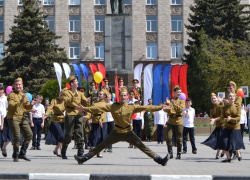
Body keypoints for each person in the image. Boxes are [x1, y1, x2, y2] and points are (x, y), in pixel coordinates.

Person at [74, 88, 170, 166]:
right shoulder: (113, 106)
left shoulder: (132, 106)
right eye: (121, 95)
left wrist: (159, 107)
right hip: (116, 132)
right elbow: (98, 108)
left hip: (128, 132)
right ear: (119, 96)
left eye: (125, 95)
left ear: (127, 96)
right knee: (101, 146)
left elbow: (146, 107)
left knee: (142, 146)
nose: (123, 97)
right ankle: (83, 159)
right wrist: (85, 109)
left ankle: (160, 160)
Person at [61, 76, 91, 159]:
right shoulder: (65, 92)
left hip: (78, 114)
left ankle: (80, 153)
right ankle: (63, 151)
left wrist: (87, 101)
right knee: (69, 135)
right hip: (70, 114)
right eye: (76, 81)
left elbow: (84, 103)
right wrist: (75, 96)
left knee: (80, 133)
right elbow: (67, 102)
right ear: (71, 83)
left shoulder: (80, 93)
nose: (77, 83)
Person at [7, 78, 36, 162]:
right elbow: (11, 106)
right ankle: (15, 154)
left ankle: (22, 153)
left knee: (29, 134)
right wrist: (21, 101)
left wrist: (31, 106)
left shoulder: (24, 95)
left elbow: (26, 108)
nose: (18, 86)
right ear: (14, 86)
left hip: (22, 117)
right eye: (16, 85)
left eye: (19, 84)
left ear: (22, 86)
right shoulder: (11, 95)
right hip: (13, 117)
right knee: (17, 137)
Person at [218, 92, 244, 162]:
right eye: (230, 96)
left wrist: (231, 119)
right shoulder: (224, 108)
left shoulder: (237, 107)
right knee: (224, 142)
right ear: (228, 98)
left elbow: (238, 118)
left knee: (234, 142)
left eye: (233, 96)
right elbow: (222, 118)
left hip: (235, 128)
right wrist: (227, 119)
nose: (231, 97)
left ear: (234, 98)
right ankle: (228, 157)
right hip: (227, 128)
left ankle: (238, 153)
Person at [84, 90, 109, 158]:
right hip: (95, 121)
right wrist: (86, 117)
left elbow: (104, 113)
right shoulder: (94, 103)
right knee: (94, 136)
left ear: (104, 96)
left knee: (102, 137)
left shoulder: (105, 104)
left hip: (103, 122)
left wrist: (101, 120)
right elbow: (90, 111)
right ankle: (91, 149)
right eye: (99, 94)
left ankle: (98, 152)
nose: (99, 95)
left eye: (101, 94)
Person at [201, 93, 225, 159]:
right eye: (212, 99)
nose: (213, 100)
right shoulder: (212, 109)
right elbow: (211, 118)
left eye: (214, 98)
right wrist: (211, 120)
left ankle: (221, 152)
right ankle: (219, 153)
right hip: (218, 126)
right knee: (217, 140)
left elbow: (222, 116)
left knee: (223, 140)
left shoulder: (221, 106)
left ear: (217, 98)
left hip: (223, 125)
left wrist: (215, 119)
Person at [222, 81, 242, 160]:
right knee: (227, 140)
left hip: (235, 121)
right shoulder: (228, 97)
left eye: (231, 88)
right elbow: (224, 109)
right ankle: (230, 156)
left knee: (234, 139)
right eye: (228, 88)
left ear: (235, 88)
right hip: (227, 122)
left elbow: (237, 105)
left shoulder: (238, 97)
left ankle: (237, 154)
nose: (230, 90)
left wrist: (228, 102)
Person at [164, 85, 185, 159]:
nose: (179, 93)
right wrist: (167, 104)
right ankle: (170, 153)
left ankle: (179, 153)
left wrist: (174, 104)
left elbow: (180, 110)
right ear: (174, 92)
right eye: (178, 92)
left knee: (179, 138)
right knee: (168, 137)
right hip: (171, 120)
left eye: (180, 92)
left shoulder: (182, 101)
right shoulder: (170, 100)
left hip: (179, 121)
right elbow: (166, 110)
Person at [44, 92, 65, 157]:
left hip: (63, 120)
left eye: (62, 95)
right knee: (61, 135)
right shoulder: (54, 101)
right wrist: (46, 114)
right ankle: (62, 152)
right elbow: (50, 108)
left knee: (62, 137)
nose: (61, 96)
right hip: (55, 120)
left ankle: (55, 150)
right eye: (60, 95)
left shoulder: (65, 101)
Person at [0, 85, 12, 158]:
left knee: (8, 136)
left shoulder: (6, 99)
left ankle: (4, 148)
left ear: (3, 90)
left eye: (0, 89)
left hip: (6, 118)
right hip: (0, 118)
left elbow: (9, 108)